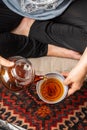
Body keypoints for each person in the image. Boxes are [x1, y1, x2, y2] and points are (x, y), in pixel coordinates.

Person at [0, 0, 87, 96]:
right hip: (12, 5)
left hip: (64, 5)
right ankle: (45, 46)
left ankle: (31, 28)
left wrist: (83, 66)